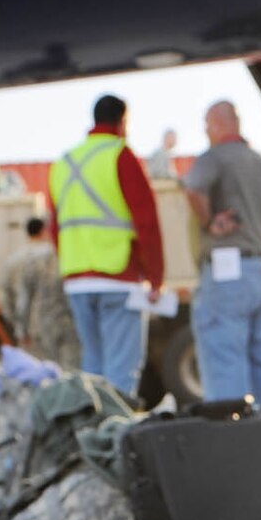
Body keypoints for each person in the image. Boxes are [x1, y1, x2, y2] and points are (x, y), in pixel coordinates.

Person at [47, 94, 164, 395]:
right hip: (118, 276)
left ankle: (95, 431)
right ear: (123, 121)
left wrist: (71, 264)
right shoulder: (120, 155)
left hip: (76, 279)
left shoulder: (64, 163)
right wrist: (156, 277)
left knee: (94, 366)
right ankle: (117, 434)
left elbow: (56, 224)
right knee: (121, 367)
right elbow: (146, 220)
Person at [184, 100, 261, 406]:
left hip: (226, 270)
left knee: (224, 358)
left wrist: (209, 221)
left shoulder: (213, 159)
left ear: (219, 125)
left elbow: (192, 189)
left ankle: (232, 433)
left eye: (207, 126)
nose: (206, 132)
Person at [0, 217, 81, 369]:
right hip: (65, 325)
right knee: (70, 376)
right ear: (45, 231)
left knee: (39, 376)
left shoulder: (13, 259)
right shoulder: (59, 254)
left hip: (32, 329)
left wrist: (20, 328)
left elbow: (9, 298)